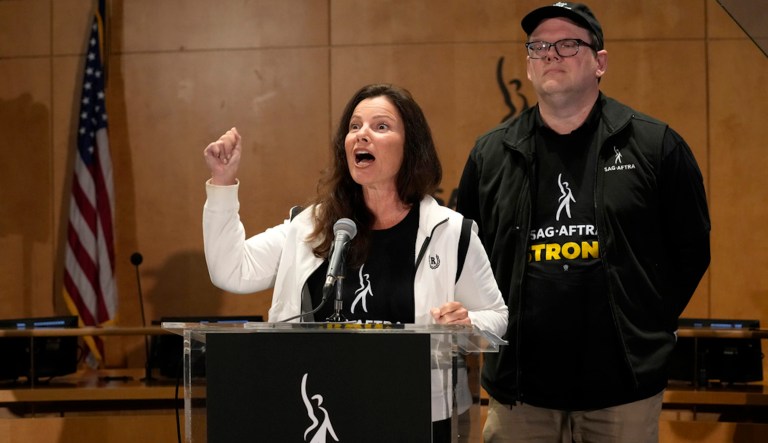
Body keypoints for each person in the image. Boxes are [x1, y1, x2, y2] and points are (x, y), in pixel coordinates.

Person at [456, 3, 711, 442]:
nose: (551, 54)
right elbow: (466, 255)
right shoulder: (490, 155)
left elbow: (691, 250)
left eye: (568, 43)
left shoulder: (655, 146)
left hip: (622, 391)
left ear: (600, 62)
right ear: (529, 67)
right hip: (520, 393)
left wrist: (645, 320)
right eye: (538, 47)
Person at [202, 83, 508, 441]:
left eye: (380, 126)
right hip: (321, 411)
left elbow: (497, 317)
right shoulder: (312, 225)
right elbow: (231, 270)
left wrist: (467, 320)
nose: (362, 135)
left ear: (411, 146)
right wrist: (222, 183)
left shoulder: (450, 231)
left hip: (416, 414)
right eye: (354, 126)